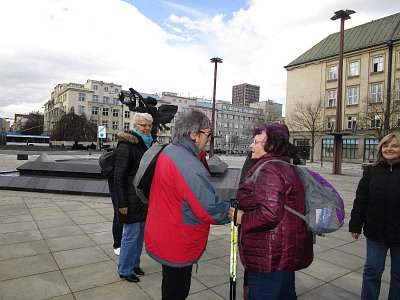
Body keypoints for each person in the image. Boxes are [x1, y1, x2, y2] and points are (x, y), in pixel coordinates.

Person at [144, 109, 230, 300]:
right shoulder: (187, 164)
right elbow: (208, 207)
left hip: (165, 231)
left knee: (169, 286)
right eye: (208, 134)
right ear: (193, 134)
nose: (209, 139)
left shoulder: (170, 151)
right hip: (178, 239)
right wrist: (230, 213)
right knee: (177, 291)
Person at [229, 124, 313, 299]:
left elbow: (270, 214)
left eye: (255, 142)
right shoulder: (282, 165)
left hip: (268, 253)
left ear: (271, 145)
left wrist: (242, 218)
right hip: (282, 250)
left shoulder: (269, 169)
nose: (251, 145)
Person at [349, 132, 400, 300]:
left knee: (398, 276)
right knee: (372, 272)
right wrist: (355, 225)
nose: (389, 149)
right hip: (376, 233)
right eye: (385, 145)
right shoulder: (371, 171)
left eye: (394, 145)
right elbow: (361, 200)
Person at [114, 112, 154, 283]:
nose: (146, 129)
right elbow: (119, 177)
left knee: (139, 234)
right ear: (135, 126)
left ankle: (135, 264)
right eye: (143, 125)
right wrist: (122, 203)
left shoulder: (146, 144)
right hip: (130, 198)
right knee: (130, 234)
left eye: (149, 125)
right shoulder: (126, 145)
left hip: (142, 197)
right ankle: (125, 269)